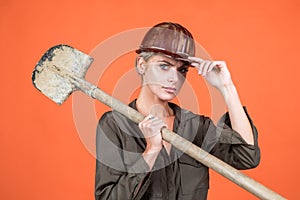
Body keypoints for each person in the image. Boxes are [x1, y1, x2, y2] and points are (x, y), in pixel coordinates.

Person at [95, 22, 260, 200]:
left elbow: (247, 156)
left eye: (182, 70)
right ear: (141, 64)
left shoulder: (196, 127)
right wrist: (151, 151)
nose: (174, 78)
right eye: (164, 66)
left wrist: (227, 87)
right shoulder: (114, 125)